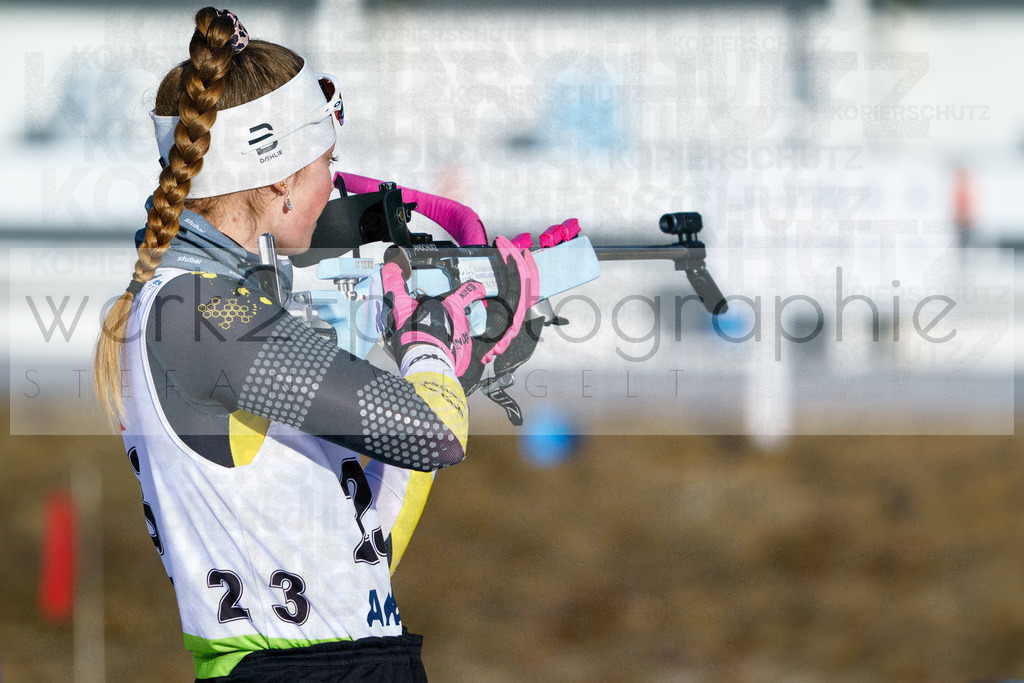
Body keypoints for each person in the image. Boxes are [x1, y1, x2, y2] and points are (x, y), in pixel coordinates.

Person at [92, 7, 534, 680]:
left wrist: (443, 360)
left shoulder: (206, 300)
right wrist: (428, 340)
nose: (335, 182)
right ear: (278, 179)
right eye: (328, 161)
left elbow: (361, 553)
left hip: (353, 659)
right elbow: (429, 431)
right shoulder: (197, 308)